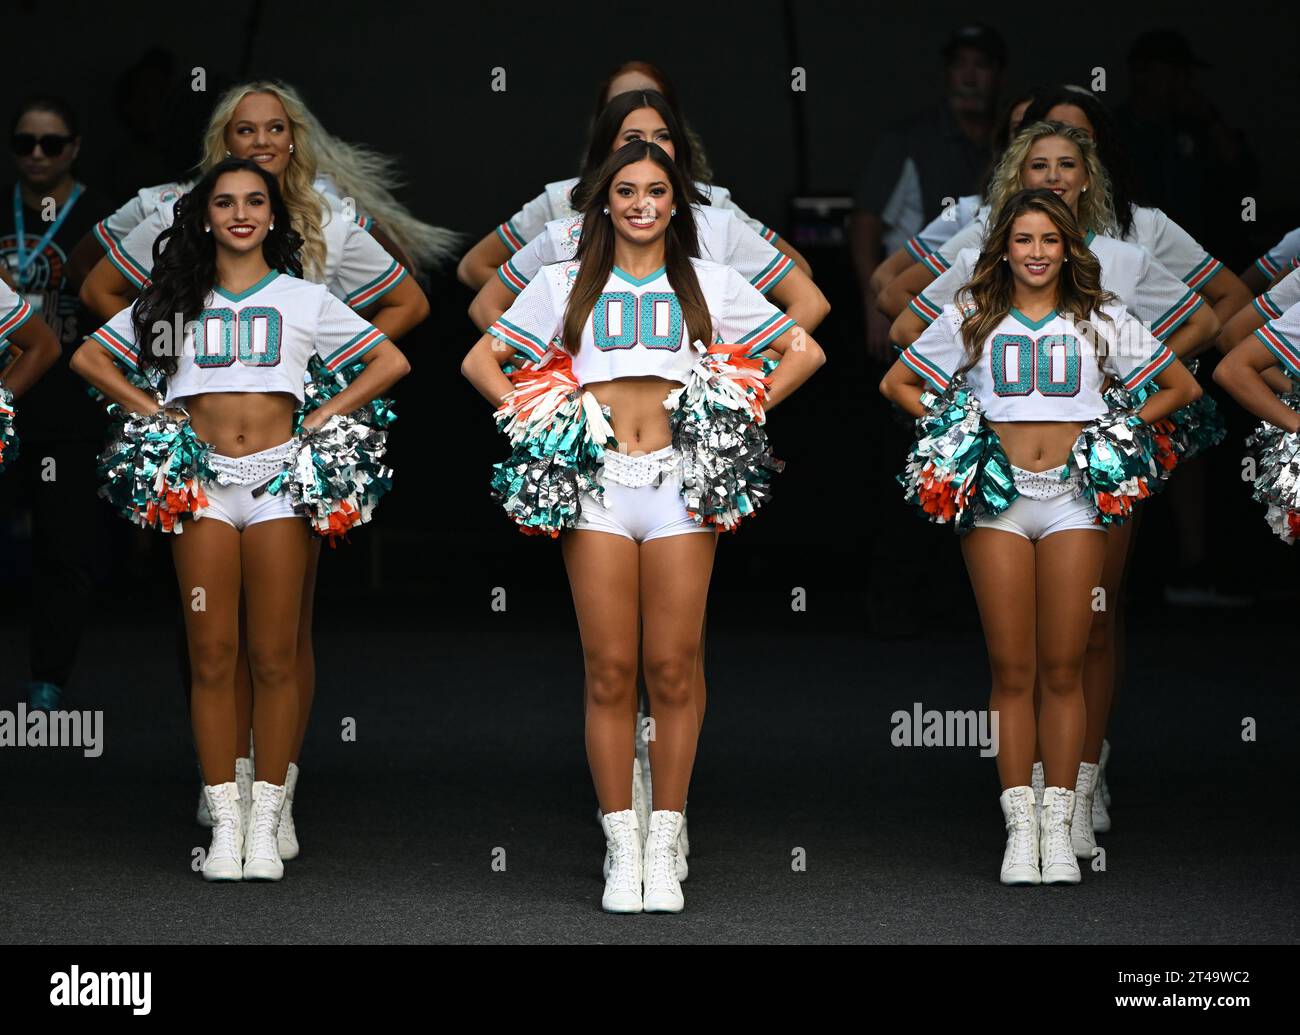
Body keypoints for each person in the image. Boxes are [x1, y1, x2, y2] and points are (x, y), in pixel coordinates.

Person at [461, 141, 825, 912]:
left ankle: (667, 834)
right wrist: (539, 419)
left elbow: (805, 347)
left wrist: (734, 413)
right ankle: (619, 842)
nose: (640, 203)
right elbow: (480, 361)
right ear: (601, 203)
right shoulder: (561, 282)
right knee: (609, 669)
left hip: (679, 485)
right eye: (624, 191)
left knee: (670, 666)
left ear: (676, 203)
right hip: (597, 486)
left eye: (656, 191)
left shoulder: (712, 282)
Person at [78, 81, 431, 857]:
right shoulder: (176, 298)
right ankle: (226, 813)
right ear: (205, 210)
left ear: (274, 213)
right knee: (211, 650)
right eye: (227, 199)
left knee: (276, 648)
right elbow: (91, 348)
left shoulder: (307, 292)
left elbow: (392, 348)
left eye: (255, 202)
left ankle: (270, 815)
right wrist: (155, 409)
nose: (241, 211)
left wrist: (326, 409)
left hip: (281, 477)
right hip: (202, 479)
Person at [879, 189, 1200, 884]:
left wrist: (1118, 430)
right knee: (1012, 668)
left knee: (1063, 664)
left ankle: (1060, 827)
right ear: (1003, 246)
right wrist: (957, 432)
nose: (1034, 252)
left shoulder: (1101, 314)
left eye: (1049, 240)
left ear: (1068, 249)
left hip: (1075, 500)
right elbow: (899, 381)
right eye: (1022, 239)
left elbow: (1178, 385)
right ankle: (1019, 828)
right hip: (998, 500)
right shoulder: (973, 310)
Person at [455, 60, 810, 292]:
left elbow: (798, 275)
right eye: (629, 131)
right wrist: (544, 325)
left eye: (661, 132)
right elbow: (475, 268)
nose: (646, 142)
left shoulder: (712, 203)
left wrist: (733, 342)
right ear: (605, 129)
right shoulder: (562, 201)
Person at [0, 96, 113, 712]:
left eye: (50, 143)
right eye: (25, 143)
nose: (37, 155)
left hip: (70, 407)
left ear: (73, 147)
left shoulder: (102, 217)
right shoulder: (1, 206)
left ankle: (49, 678)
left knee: (64, 548)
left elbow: (134, 302)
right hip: (3, 396)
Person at [850, 23, 1006, 361]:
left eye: (980, 66)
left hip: (990, 308)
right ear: (946, 73)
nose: (969, 77)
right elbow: (865, 222)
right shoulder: (907, 141)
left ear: (998, 75)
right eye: (960, 65)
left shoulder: (1011, 145)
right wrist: (873, 300)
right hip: (915, 300)